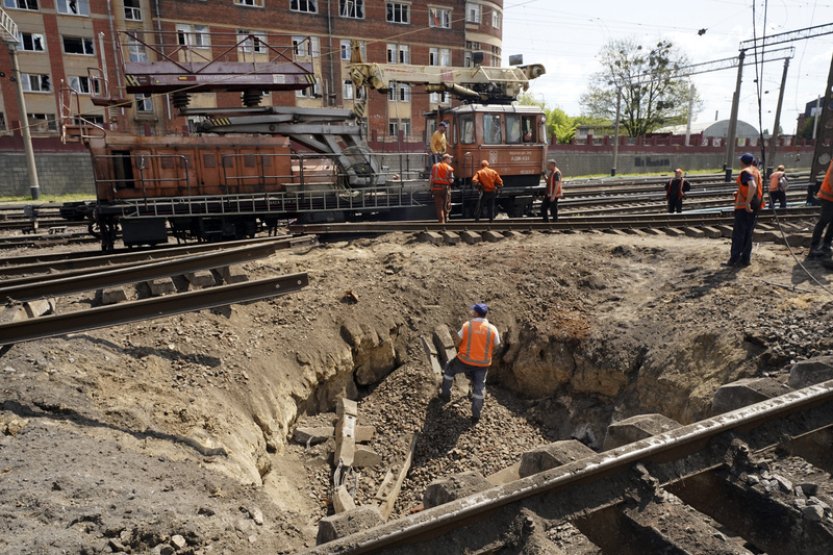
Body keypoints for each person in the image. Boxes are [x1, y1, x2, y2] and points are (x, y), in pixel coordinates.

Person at [439, 303, 500, 424]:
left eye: (473, 312)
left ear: (476, 313)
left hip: (464, 360)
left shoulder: (468, 326)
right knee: (479, 388)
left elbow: (457, 342)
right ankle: (476, 416)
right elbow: (497, 345)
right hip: (482, 364)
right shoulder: (493, 329)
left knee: (449, 369)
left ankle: (445, 395)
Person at [726, 153, 763, 268]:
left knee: (739, 234)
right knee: (748, 233)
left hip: (744, 207)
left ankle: (734, 259)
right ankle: (745, 260)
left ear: (742, 161)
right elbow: (750, 187)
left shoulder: (745, 171)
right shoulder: (755, 170)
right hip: (755, 205)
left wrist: (747, 202)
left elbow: (752, 186)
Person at [809, 160, 833, 258]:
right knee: (824, 220)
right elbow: (832, 179)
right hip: (828, 196)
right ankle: (814, 247)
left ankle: (826, 244)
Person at [430, 153, 454, 223]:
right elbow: (451, 180)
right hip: (445, 189)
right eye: (450, 159)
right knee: (446, 204)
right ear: (446, 159)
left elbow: (431, 178)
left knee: (439, 207)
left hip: (436, 188)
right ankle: (446, 219)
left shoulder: (435, 166)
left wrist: (431, 188)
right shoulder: (449, 168)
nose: (451, 160)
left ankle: (441, 222)